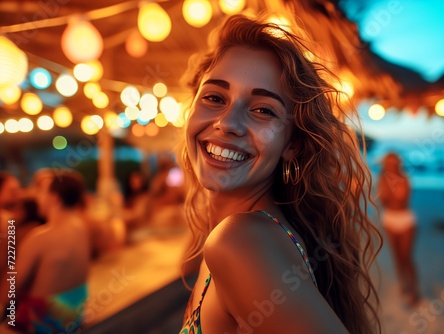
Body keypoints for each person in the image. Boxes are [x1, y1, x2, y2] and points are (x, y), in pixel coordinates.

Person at [177, 14, 381, 334]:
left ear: (293, 145)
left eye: (263, 110)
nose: (228, 123)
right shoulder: (258, 234)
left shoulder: (239, 242)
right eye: (215, 97)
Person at [0, 170, 91, 333]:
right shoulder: (81, 227)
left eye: (41, 192)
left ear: (54, 198)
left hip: (44, 322)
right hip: (75, 314)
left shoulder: (40, 237)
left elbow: (9, 290)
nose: (37, 197)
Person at [376, 152, 420, 306]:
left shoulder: (404, 178)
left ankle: (415, 290)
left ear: (398, 164)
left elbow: (401, 199)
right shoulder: (382, 179)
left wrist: (389, 191)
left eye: (393, 163)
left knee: (406, 257)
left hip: (405, 219)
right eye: (388, 163)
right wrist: (387, 191)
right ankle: (403, 284)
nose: (391, 166)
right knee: (396, 256)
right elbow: (384, 201)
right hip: (389, 219)